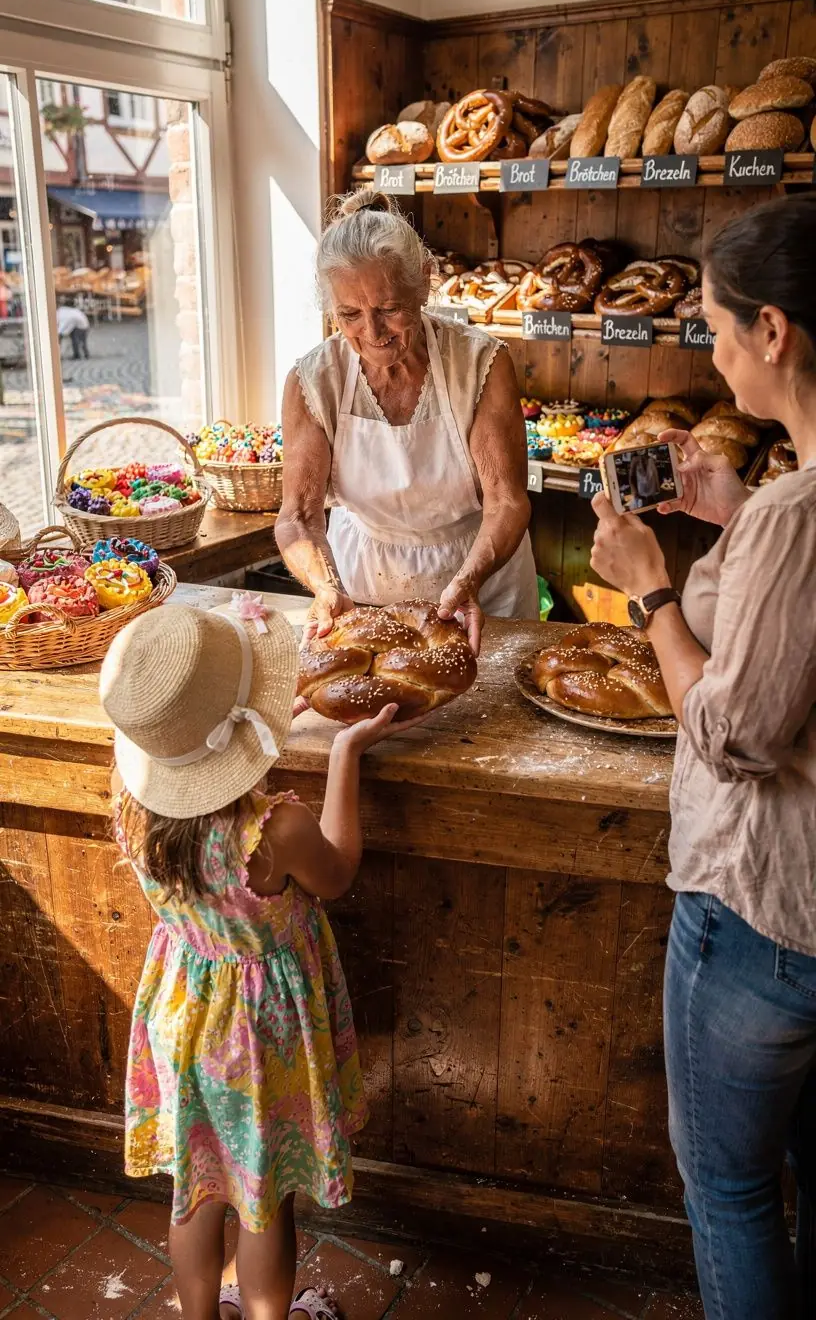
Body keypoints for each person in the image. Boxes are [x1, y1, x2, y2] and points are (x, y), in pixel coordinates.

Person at [588, 192, 816, 1320]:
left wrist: (652, 592)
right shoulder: (787, 503)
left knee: (728, 1191)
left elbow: (736, 733)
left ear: (774, 331)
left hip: (762, 912)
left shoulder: (798, 514)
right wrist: (734, 513)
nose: (716, 357)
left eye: (722, 330)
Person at [99, 595, 418, 1320]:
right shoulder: (273, 829)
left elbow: (202, 754)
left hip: (182, 1015)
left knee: (197, 1189)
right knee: (263, 1200)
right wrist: (345, 752)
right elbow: (335, 873)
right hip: (260, 1036)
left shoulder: (132, 797)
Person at [275, 190, 538, 657]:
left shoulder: (479, 363)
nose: (372, 333)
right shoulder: (313, 381)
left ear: (423, 282)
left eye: (389, 309)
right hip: (362, 585)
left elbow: (506, 501)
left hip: (481, 579)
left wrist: (470, 578)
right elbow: (298, 518)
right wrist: (324, 587)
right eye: (350, 314)